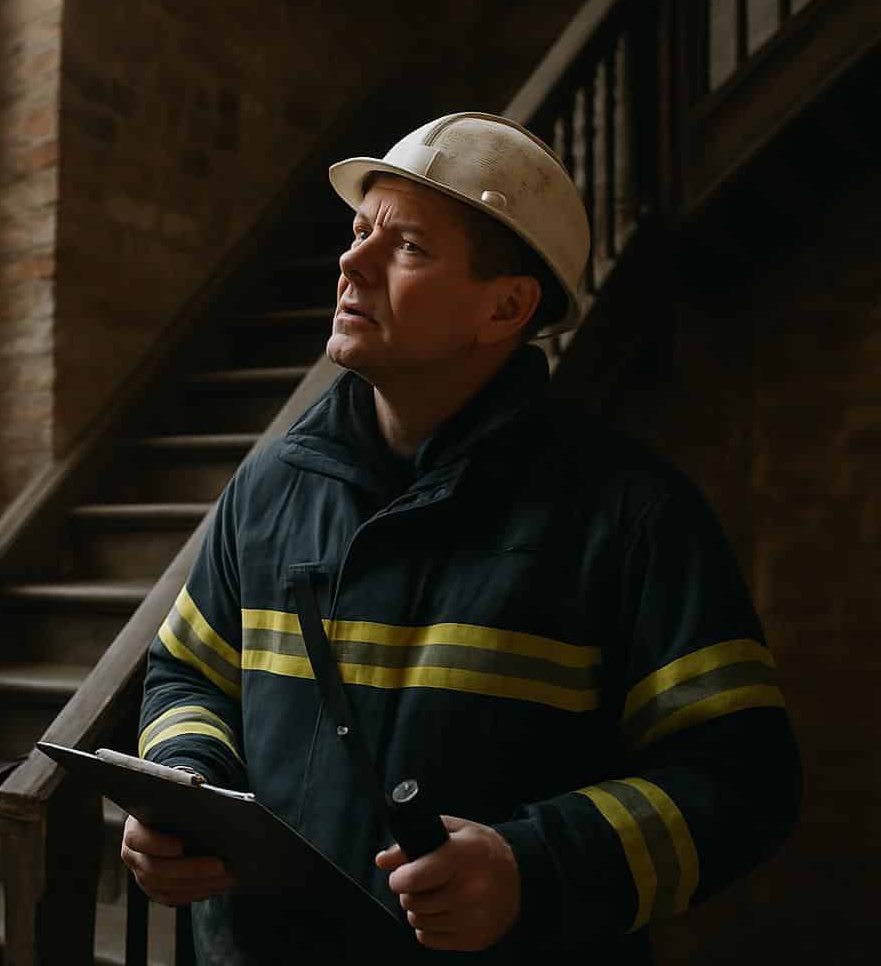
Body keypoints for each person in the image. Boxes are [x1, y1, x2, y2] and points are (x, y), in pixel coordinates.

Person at [121, 112, 802, 964]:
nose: (351, 260)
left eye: (404, 246)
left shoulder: (632, 517)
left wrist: (534, 868)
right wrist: (189, 793)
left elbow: (743, 781)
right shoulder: (269, 487)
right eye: (359, 230)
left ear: (506, 306)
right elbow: (188, 671)